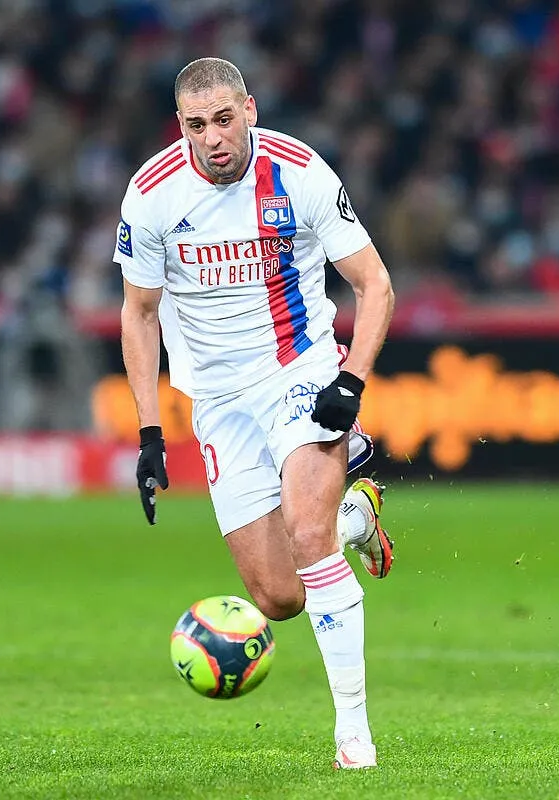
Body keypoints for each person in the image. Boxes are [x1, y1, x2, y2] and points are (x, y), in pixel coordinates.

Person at [113, 57, 396, 770]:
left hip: (299, 373)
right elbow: (139, 314)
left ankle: (353, 735)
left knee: (307, 533)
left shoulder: (299, 172)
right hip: (218, 403)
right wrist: (149, 433)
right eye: (194, 125)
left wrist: (351, 382)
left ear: (250, 110)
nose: (211, 138)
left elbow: (375, 285)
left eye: (223, 119)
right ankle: (355, 516)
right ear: (179, 126)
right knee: (278, 598)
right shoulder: (150, 195)